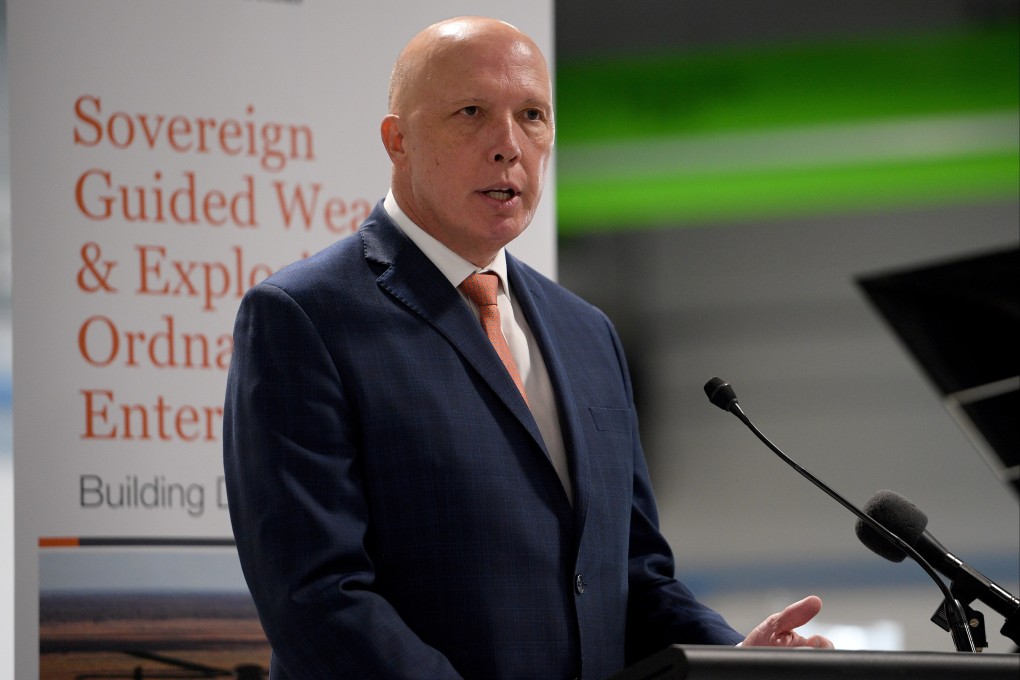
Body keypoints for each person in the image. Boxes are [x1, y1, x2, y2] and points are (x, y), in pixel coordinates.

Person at [223, 16, 833, 680]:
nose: (509, 145)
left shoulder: (586, 332)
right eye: (472, 112)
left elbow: (631, 576)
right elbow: (316, 599)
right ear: (397, 140)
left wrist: (732, 659)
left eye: (533, 116)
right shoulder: (304, 318)